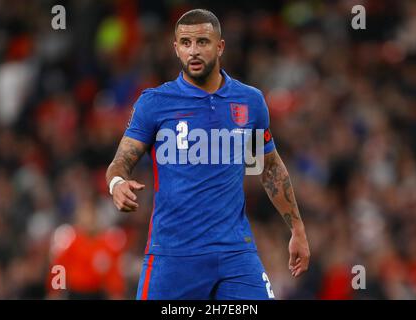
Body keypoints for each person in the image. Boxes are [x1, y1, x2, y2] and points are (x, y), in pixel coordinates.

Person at [106, 9, 310, 300]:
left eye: (203, 41)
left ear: (220, 46)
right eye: (186, 43)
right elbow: (119, 163)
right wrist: (117, 184)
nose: (194, 50)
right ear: (176, 48)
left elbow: (268, 169)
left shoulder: (248, 102)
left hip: (235, 254)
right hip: (173, 255)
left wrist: (297, 229)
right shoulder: (155, 104)